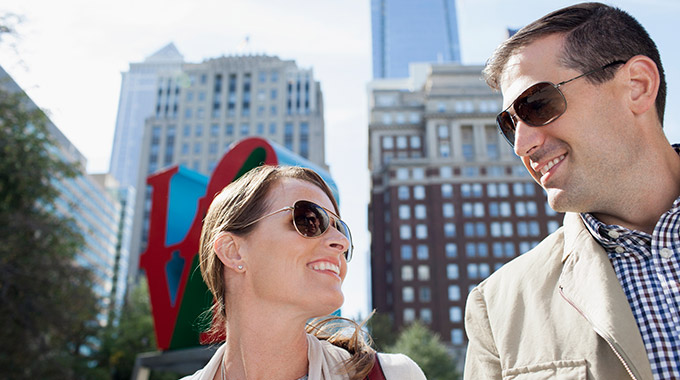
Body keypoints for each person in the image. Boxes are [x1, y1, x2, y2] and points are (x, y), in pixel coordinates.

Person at [464, 3, 678, 379]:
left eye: (537, 104)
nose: (521, 145)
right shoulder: (498, 308)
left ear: (637, 86)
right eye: (509, 124)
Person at [183, 165, 426, 380]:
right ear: (234, 251)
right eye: (309, 219)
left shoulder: (394, 375)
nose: (342, 242)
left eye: (340, 228)